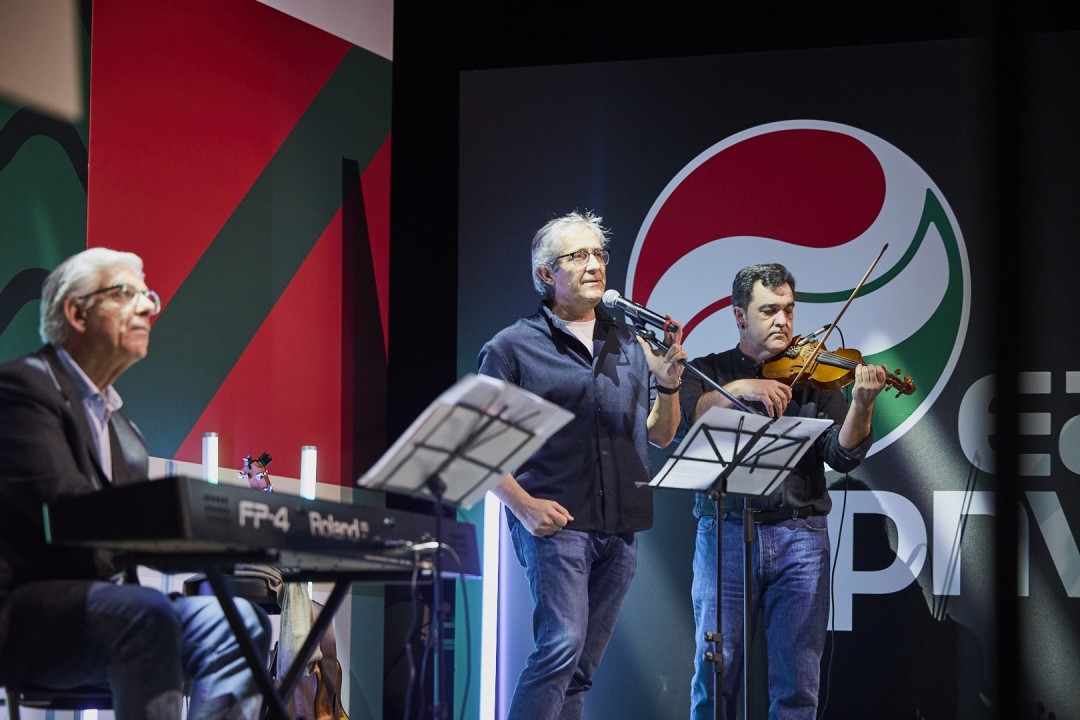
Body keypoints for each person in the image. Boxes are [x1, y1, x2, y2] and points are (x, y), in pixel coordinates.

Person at [0, 247, 272, 720]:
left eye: (149, 296)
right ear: (76, 313)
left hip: (110, 610)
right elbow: (63, 509)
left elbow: (135, 539)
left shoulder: (126, 433)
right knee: (148, 614)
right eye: (126, 293)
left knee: (241, 623)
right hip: (26, 618)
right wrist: (178, 523)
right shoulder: (23, 389)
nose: (147, 306)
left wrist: (228, 532)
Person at [478, 210, 687, 719]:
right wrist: (524, 506)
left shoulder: (630, 343)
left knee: (581, 668)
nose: (595, 265)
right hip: (558, 525)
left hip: (621, 527)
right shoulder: (511, 347)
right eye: (578, 256)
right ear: (546, 273)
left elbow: (660, 433)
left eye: (599, 254)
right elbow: (478, 446)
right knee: (561, 647)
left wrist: (668, 385)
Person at [682, 263, 887, 720]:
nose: (783, 321)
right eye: (769, 310)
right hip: (726, 534)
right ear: (740, 316)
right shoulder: (708, 371)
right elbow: (686, 418)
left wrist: (862, 406)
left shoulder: (815, 376)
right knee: (715, 675)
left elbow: (841, 453)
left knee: (798, 684)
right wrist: (741, 389)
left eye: (789, 310)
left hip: (801, 536)